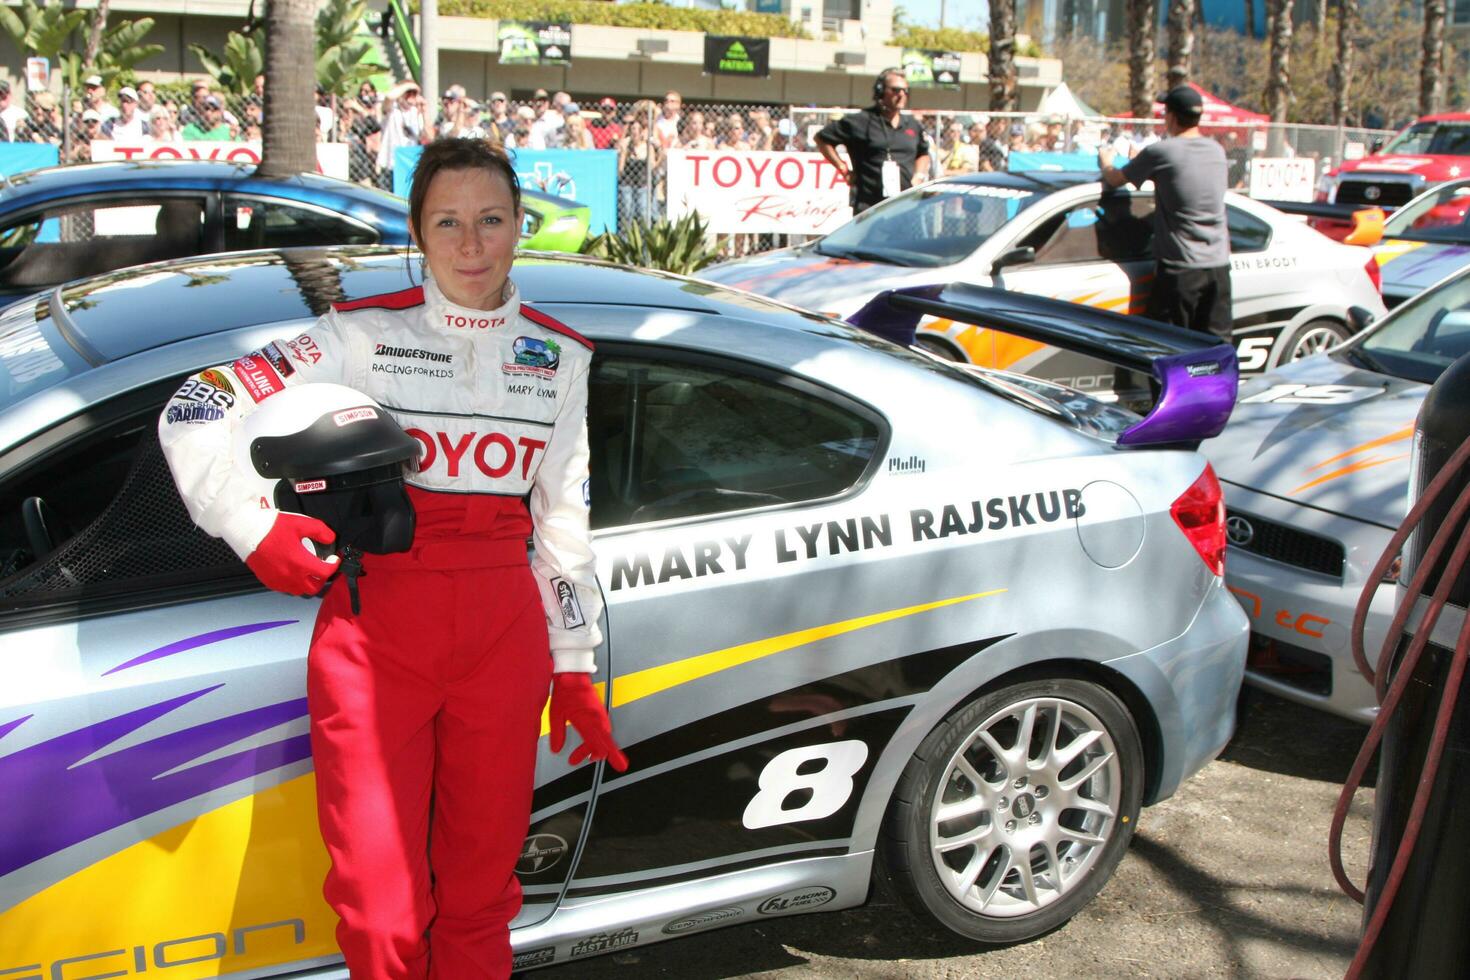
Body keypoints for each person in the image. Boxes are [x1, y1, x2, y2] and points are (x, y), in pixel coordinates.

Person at [158, 138, 627, 980]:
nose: (471, 244)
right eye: (448, 222)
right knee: (380, 914)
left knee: (481, 902)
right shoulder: (355, 335)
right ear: (416, 231)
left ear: (522, 227)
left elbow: (562, 523)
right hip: (376, 640)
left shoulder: (562, 357)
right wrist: (249, 525)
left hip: (502, 642)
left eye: (491, 220)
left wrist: (575, 666)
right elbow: (195, 407)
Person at [1099, 84, 1232, 341]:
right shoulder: (1216, 151)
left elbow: (1116, 179)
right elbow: (1185, 177)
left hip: (1181, 270)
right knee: (1215, 346)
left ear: (1171, 117)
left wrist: (1105, 160)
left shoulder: (1161, 152)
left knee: (1170, 345)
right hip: (1218, 266)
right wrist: (1146, 162)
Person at [815, 68, 930, 214]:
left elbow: (923, 153)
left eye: (905, 91)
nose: (901, 94)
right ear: (880, 90)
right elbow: (822, 139)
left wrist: (918, 176)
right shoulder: (860, 121)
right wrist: (843, 168)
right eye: (895, 90)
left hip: (905, 204)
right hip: (869, 206)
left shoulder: (912, 124)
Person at [377, 81, 425, 191]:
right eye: (408, 93)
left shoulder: (416, 112)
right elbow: (390, 96)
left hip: (409, 165)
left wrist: (423, 110)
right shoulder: (392, 110)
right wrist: (410, 86)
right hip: (391, 164)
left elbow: (426, 136)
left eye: (414, 94)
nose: (411, 97)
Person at [618, 116, 657, 226]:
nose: (634, 132)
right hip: (627, 182)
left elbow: (652, 166)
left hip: (642, 183)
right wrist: (623, 151)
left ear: (641, 132)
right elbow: (621, 169)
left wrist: (660, 156)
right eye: (632, 129)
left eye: (637, 129)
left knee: (643, 212)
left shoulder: (647, 146)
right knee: (627, 211)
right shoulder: (626, 146)